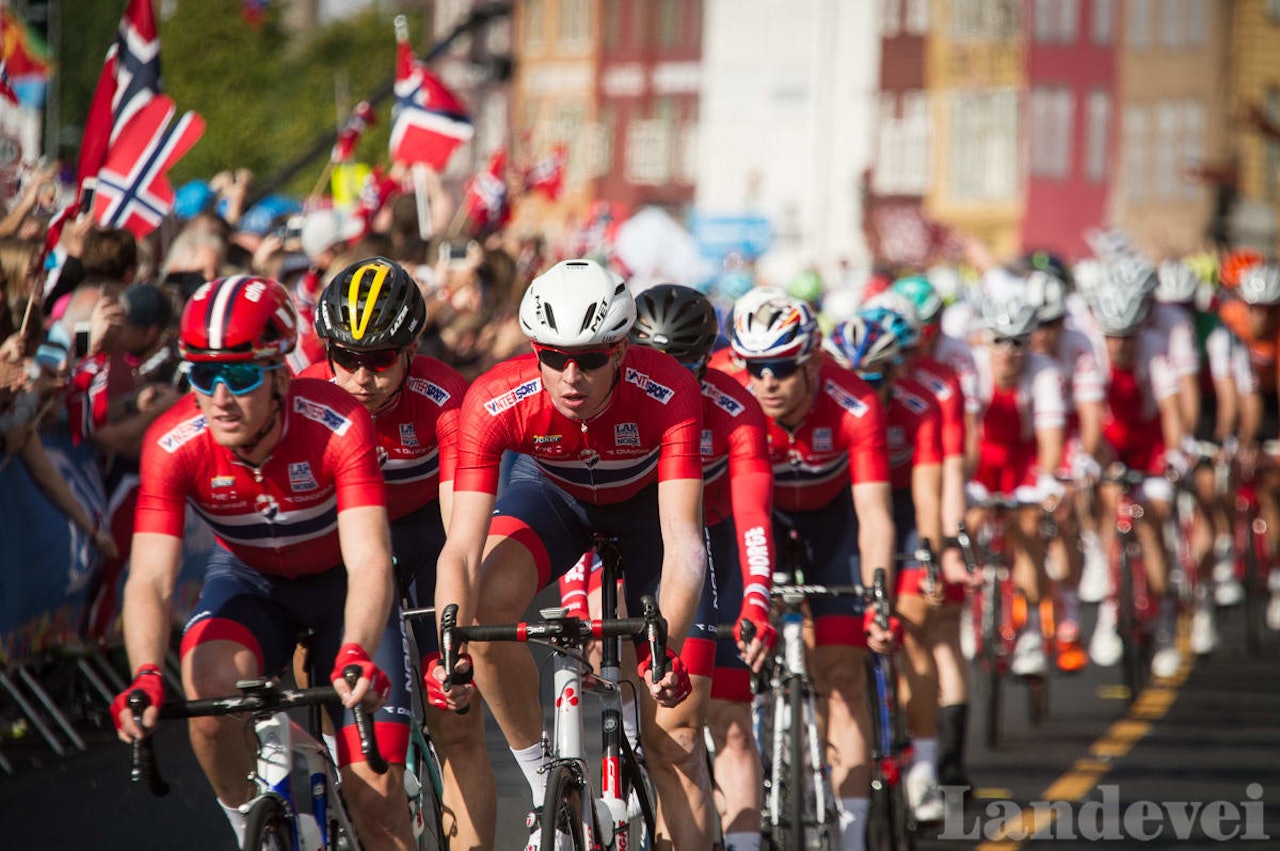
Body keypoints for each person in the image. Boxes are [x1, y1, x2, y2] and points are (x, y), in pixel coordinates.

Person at [110, 276, 415, 850]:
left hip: (341, 589)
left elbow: (371, 557)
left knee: (376, 797)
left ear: (280, 376)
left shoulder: (339, 423)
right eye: (203, 376)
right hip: (249, 585)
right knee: (206, 695)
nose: (220, 397)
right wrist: (146, 674)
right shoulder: (173, 443)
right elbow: (149, 578)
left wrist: (355, 649)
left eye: (241, 375)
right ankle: (257, 830)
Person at [431, 259, 715, 850]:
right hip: (552, 500)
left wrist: (666, 649)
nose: (570, 375)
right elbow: (459, 548)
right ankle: (541, 777)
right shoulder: (493, 398)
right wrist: (449, 646)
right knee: (484, 602)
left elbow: (685, 540)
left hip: (642, 514)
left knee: (678, 740)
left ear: (619, 352)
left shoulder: (669, 389)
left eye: (588, 359)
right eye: (553, 356)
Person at [303, 255, 483, 842]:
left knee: (457, 717)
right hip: (343, 554)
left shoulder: (444, 396)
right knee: (308, 682)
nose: (361, 377)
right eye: (346, 358)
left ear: (409, 351)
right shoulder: (304, 395)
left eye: (379, 360)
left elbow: (462, 532)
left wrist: (457, 626)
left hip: (427, 544)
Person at [724, 289, 896, 851]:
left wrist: (879, 600)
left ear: (814, 363)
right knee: (736, 659)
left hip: (832, 523)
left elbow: (874, 514)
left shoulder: (855, 403)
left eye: (781, 368)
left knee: (843, 675)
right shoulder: (731, 392)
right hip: (757, 519)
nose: (765, 382)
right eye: (754, 367)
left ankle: (850, 837)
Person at [630, 283, 777, 850]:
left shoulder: (734, 409)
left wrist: (757, 599)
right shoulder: (603, 398)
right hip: (631, 535)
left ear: (705, 365)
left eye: (683, 370)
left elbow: (751, 518)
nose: (665, 384)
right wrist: (577, 597)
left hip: (706, 541)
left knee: (714, 725)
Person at [824, 311, 949, 826]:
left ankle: (924, 765)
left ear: (896, 372)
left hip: (901, 511)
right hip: (846, 517)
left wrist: (933, 559)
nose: (863, 391)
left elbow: (929, 497)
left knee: (914, 625)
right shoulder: (834, 408)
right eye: (854, 380)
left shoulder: (920, 409)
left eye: (874, 380)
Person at [1081, 264, 1186, 679]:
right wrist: (1090, 459)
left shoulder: (1156, 349)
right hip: (1112, 445)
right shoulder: (1091, 353)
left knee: (1151, 524)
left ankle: (1163, 627)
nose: (1119, 345)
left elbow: (1172, 412)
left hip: (1151, 445)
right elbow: (1089, 417)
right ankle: (1111, 603)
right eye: (1112, 335)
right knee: (1108, 502)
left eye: (1126, 336)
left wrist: (1175, 454)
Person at [963, 293, 1067, 679]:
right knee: (966, 523)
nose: (1007, 353)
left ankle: (1032, 636)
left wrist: (1048, 480)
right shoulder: (973, 368)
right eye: (998, 341)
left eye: (1018, 343)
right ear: (984, 339)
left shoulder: (1044, 371)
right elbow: (970, 433)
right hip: (982, 460)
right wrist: (965, 485)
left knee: (1028, 534)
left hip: (1024, 460)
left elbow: (1050, 435)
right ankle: (967, 608)